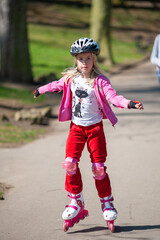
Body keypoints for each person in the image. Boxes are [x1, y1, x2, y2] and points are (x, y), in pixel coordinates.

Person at [34, 37, 144, 232]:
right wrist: (39, 90)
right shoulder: (70, 79)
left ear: (94, 60)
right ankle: (75, 201)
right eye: (81, 59)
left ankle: (107, 202)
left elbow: (113, 97)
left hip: (95, 130)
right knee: (69, 163)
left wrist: (129, 103)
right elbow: (55, 85)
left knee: (98, 168)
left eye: (88, 58)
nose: (84, 63)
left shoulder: (100, 81)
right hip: (76, 129)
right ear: (75, 60)